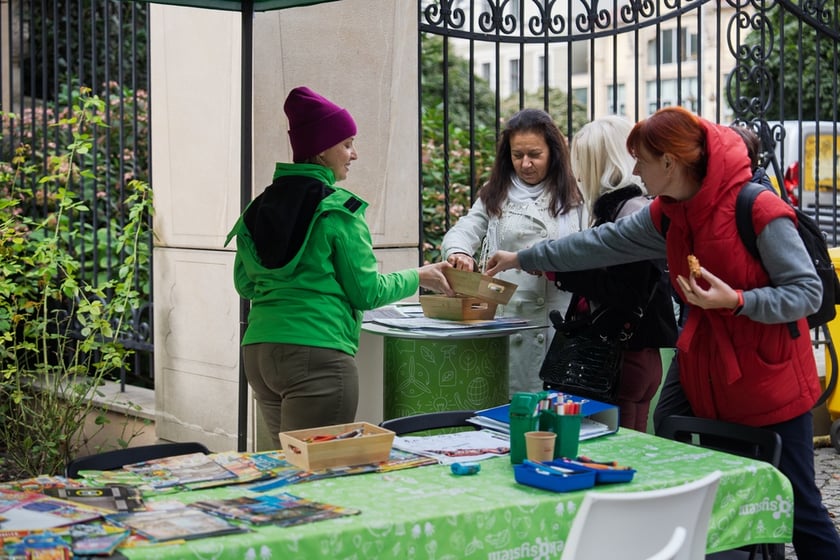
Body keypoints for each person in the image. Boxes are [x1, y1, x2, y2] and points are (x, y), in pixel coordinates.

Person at [485, 106, 840, 557]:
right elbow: (599, 244)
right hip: (710, 383)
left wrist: (739, 301)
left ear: (670, 163)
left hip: (772, 388)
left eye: (641, 160)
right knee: (732, 507)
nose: (633, 169)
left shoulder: (758, 208)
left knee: (800, 509)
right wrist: (524, 258)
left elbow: (807, 293)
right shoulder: (668, 215)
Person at [225, 86, 454, 449]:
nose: (354, 154)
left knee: (279, 469)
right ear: (321, 148)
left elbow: (245, 283)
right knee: (318, 476)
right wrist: (419, 275)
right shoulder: (337, 210)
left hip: (260, 352)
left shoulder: (258, 208)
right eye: (347, 144)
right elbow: (366, 292)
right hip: (317, 357)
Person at [440, 108, 586, 395]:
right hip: (511, 322)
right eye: (517, 155)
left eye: (535, 154)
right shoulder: (495, 191)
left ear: (553, 153)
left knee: (558, 414)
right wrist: (459, 252)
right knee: (513, 410)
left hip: (561, 324)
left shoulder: (576, 194)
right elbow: (466, 228)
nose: (526, 164)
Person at [547, 116, 677, 431]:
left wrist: (560, 271)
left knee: (616, 457)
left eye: (580, 161)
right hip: (639, 356)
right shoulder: (639, 207)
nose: (575, 172)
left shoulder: (624, 214)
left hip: (618, 358)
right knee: (630, 454)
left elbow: (624, 291)